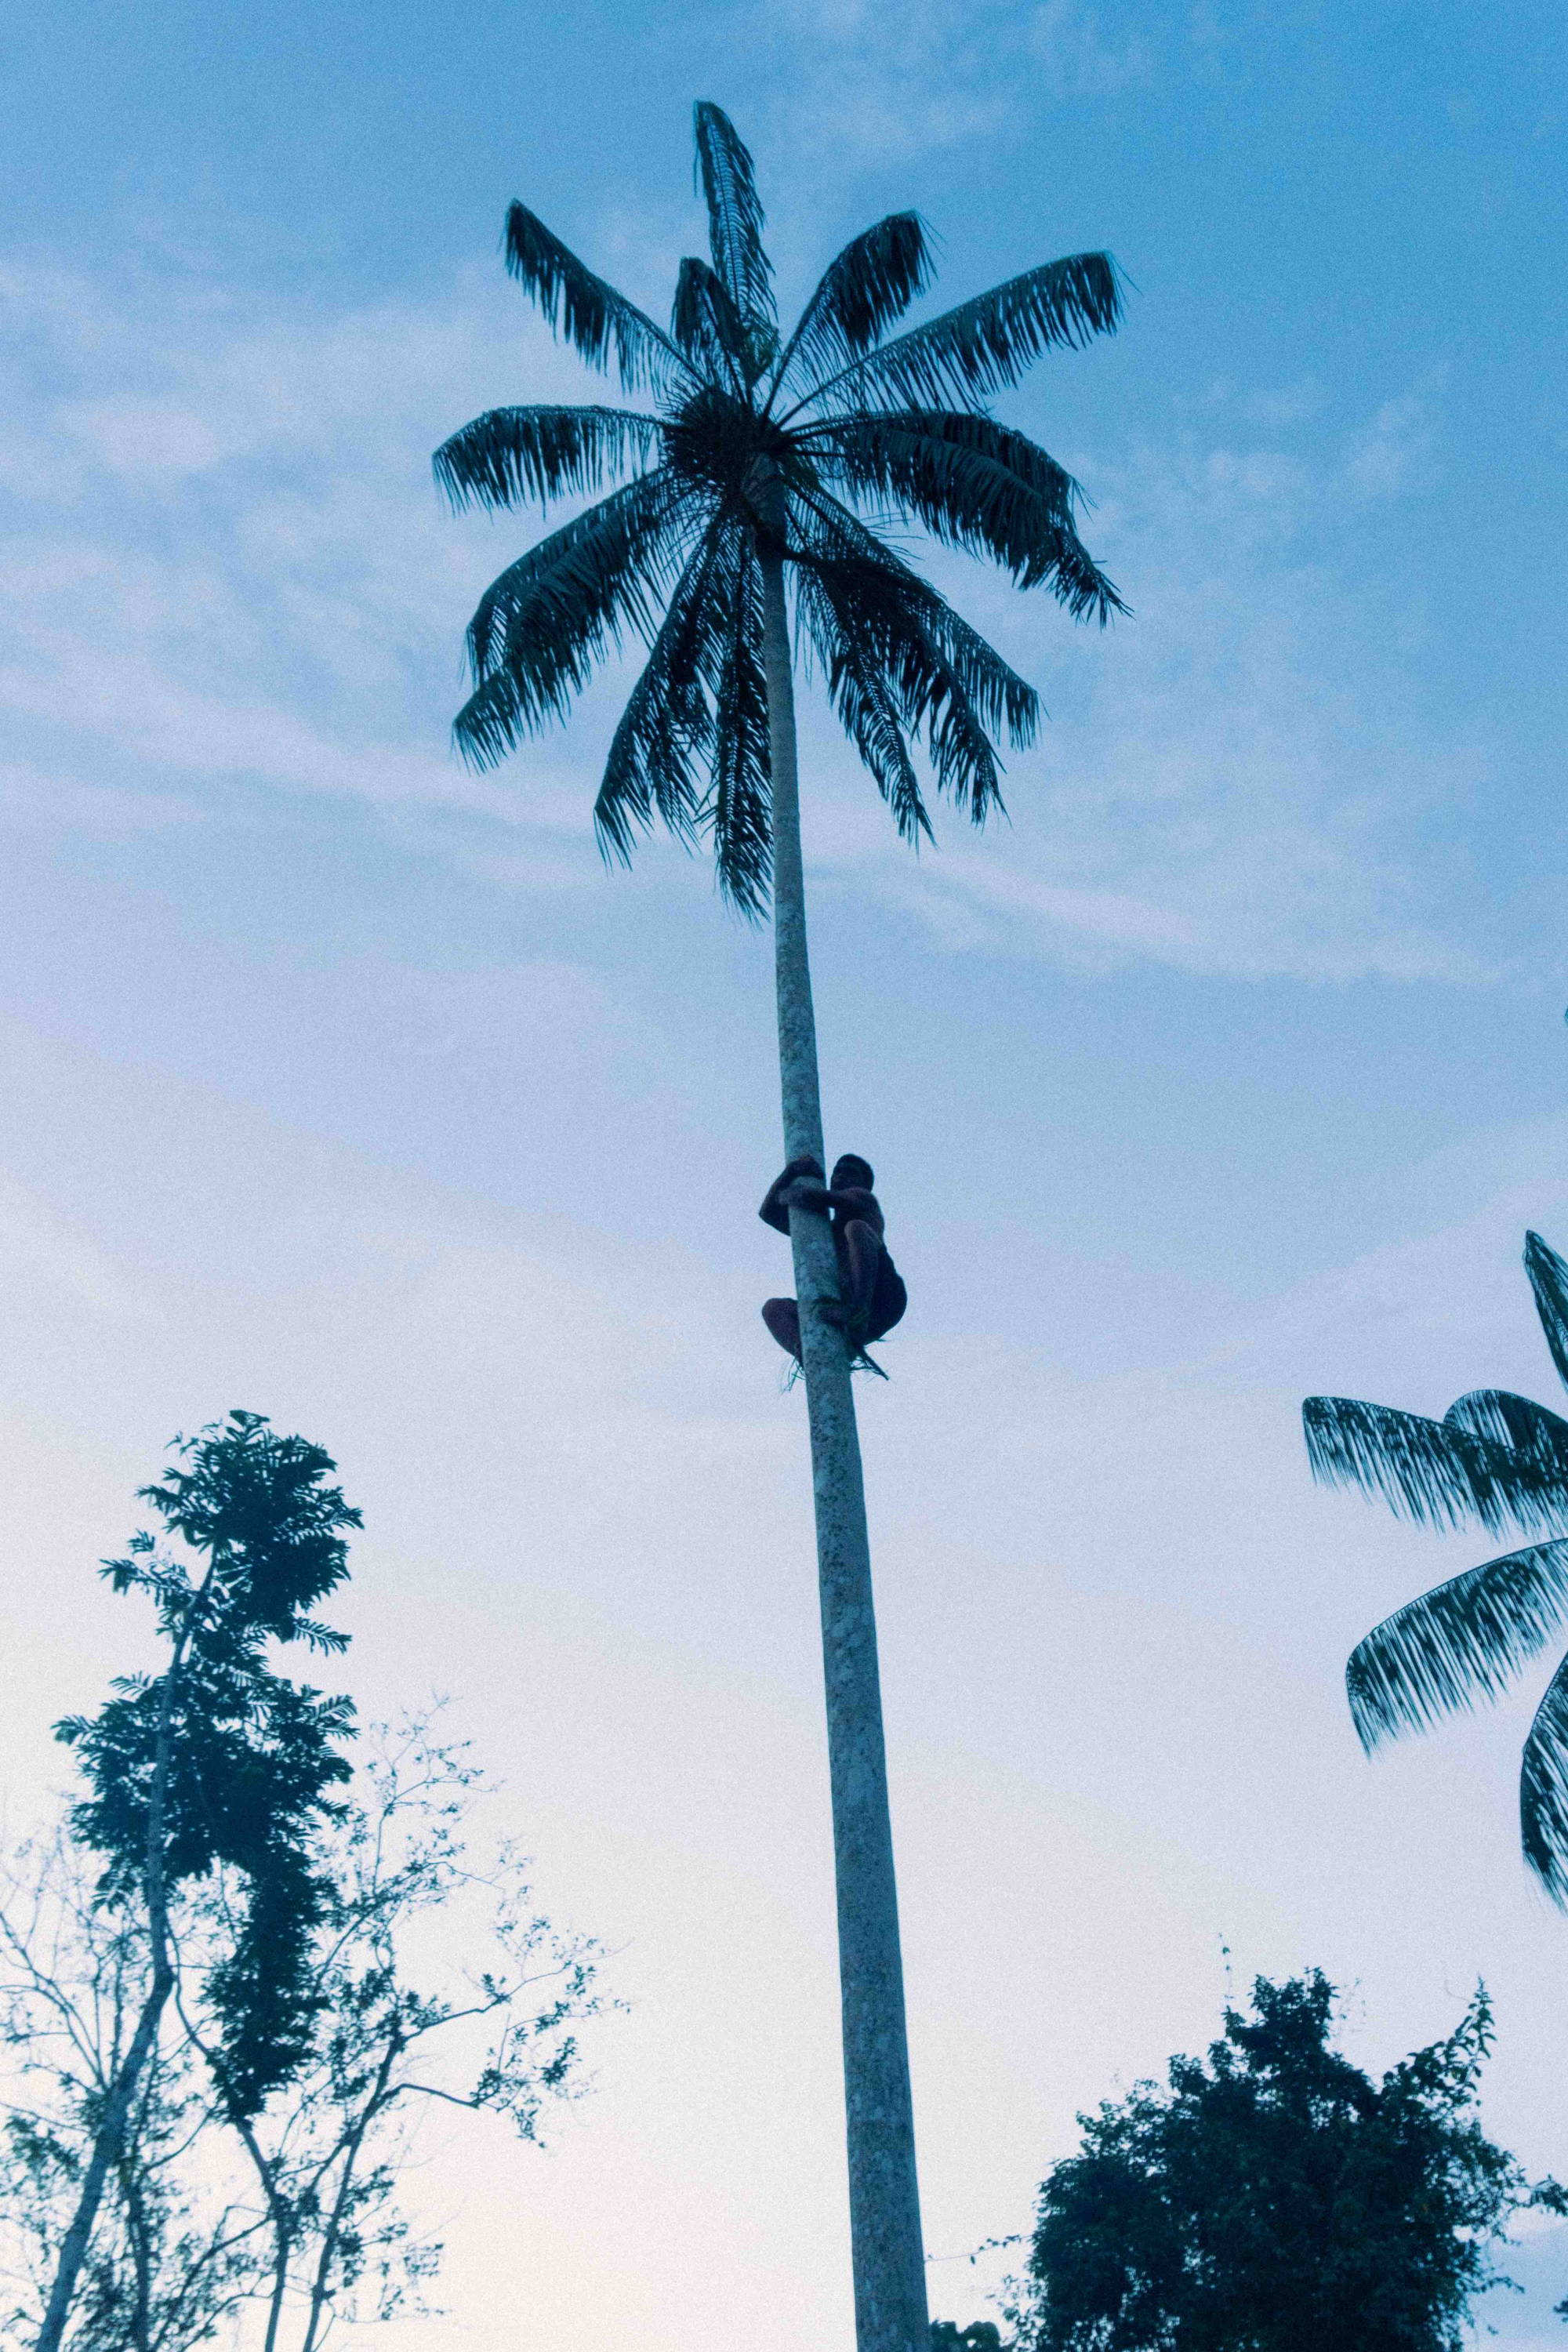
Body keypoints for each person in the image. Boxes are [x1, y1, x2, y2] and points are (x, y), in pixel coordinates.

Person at [759, 1152, 907, 1366]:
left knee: (855, 1228)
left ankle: (858, 1311)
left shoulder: (864, 1200)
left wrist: (790, 1191)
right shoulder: (824, 1232)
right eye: (837, 1171)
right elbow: (768, 1214)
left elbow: (808, 1196)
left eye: (850, 1173)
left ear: (864, 1185)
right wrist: (790, 1171)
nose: (840, 1176)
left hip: (882, 1298)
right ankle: (808, 1354)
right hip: (840, 1305)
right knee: (774, 1309)